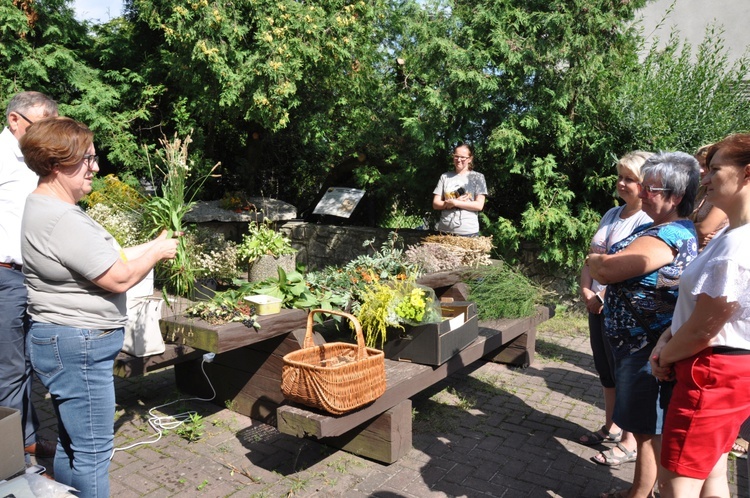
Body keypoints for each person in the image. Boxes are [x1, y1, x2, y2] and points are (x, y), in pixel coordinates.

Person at [19, 117, 179, 497]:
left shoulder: (42, 205)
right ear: (59, 164)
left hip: (60, 340)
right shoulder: (61, 219)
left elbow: (106, 259)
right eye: (88, 158)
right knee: (91, 452)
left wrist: (150, 245)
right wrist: (157, 252)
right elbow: (119, 278)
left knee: (71, 445)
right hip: (80, 345)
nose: (96, 166)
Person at [586, 151, 700, 498]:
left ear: (675, 197)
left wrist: (596, 259)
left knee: (648, 428)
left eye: (652, 188)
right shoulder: (658, 228)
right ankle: (639, 489)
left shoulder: (668, 235)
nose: (643, 193)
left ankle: (638, 493)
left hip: (644, 350)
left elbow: (605, 269)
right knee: (643, 425)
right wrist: (601, 261)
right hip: (634, 346)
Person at [651, 134, 750, 498]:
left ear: (747, 174)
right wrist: (667, 339)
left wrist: (664, 355)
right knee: (712, 472)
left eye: (715, 170)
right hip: (721, 370)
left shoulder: (738, 246)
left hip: (710, 373)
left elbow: (705, 329)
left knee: (677, 483)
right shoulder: (733, 233)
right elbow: (697, 313)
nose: (704, 178)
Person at [579, 152, 653, 468]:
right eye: (620, 176)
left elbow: (634, 268)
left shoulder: (648, 220)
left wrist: (603, 296)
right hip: (596, 306)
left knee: (626, 374)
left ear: (646, 184)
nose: (622, 183)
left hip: (623, 311)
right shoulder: (612, 213)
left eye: (630, 179)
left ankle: (629, 442)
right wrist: (586, 291)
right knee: (606, 372)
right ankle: (611, 427)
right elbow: (591, 258)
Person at [0, 91, 59, 459]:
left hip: (40, 277)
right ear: (14, 121)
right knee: (9, 368)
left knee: (36, 363)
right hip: (5, 277)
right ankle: (12, 459)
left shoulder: (38, 159)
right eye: (42, 125)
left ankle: (25, 436)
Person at [432, 143, 488, 236]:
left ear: (470, 159)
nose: (458, 160)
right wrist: (450, 203)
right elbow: (435, 204)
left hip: (468, 233)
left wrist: (455, 203)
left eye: (463, 157)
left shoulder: (478, 177)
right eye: (456, 156)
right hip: (444, 232)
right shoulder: (445, 177)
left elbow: (479, 205)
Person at [690, 144, 727, 250]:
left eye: (704, 165)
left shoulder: (723, 194)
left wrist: (677, 228)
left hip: (713, 250)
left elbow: (705, 228)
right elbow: (682, 219)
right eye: (698, 166)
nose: (700, 170)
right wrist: (694, 235)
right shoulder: (699, 191)